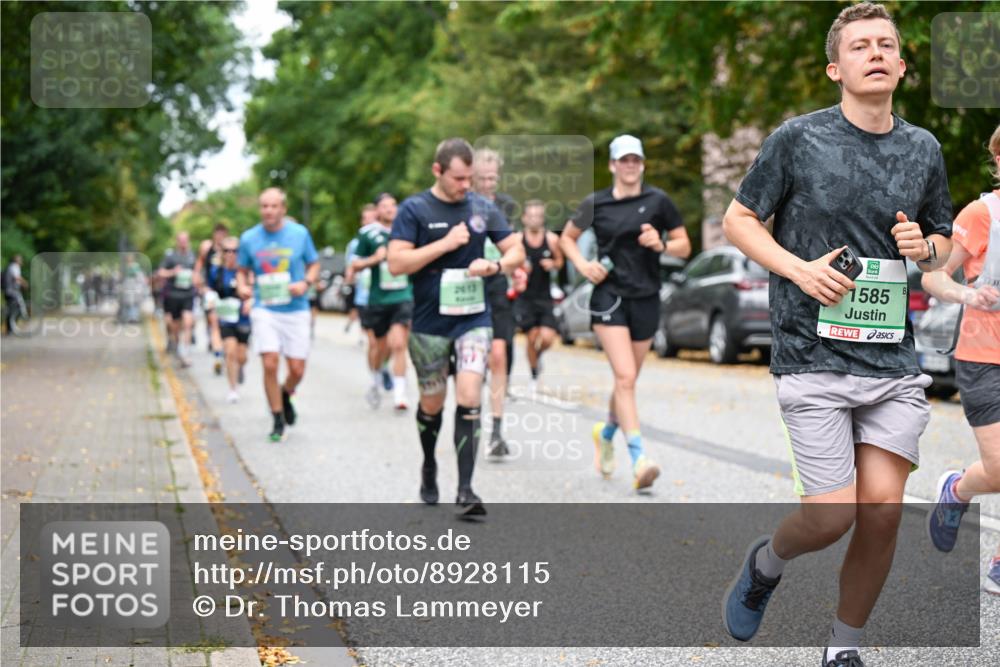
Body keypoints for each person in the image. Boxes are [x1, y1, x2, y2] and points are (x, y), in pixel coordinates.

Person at [718, 5, 954, 666]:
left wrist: (925, 246)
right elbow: (738, 220)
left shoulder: (923, 149)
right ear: (836, 68)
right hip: (811, 353)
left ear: (902, 66)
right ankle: (767, 562)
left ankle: (842, 647)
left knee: (879, 511)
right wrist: (798, 268)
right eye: (860, 46)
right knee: (831, 516)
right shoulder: (797, 139)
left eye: (887, 44)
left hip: (890, 362)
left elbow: (940, 249)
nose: (875, 52)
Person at [388, 138, 524, 515]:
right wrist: (445, 244)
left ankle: (466, 489)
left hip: (473, 320)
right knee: (432, 404)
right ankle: (429, 465)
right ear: (438, 171)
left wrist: (495, 266)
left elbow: (517, 250)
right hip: (430, 324)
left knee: (468, 395)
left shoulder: (483, 208)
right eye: (459, 178)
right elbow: (396, 263)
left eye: (470, 178)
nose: (466, 185)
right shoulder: (415, 209)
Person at [560, 134, 690, 490]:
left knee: (627, 380)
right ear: (612, 165)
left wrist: (661, 243)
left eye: (636, 159)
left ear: (642, 164)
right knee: (625, 378)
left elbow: (684, 246)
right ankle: (639, 459)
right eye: (624, 160)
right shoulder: (595, 203)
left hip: (646, 297)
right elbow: (566, 238)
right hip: (609, 297)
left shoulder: (659, 201)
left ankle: (605, 433)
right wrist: (584, 266)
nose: (630, 165)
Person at [923, 123, 1000, 595]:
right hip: (983, 357)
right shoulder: (981, 214)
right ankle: (957, 489)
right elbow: (933, 276)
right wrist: (968, 294)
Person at [237, 188, 320, 442]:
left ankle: (286, 393)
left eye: (273, 206)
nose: (268, 211)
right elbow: (242, 270)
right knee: (270, 362)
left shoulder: (299, 234)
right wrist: (242, 287)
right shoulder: (249, 238)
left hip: (295, 308)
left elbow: (314, 264)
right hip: (265, 308)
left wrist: (305, 283)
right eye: (264, 206)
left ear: (283, 209)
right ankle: (277, 419)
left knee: (297, 369)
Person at [471, 148, 522, 457]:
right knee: (473, 361)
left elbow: (513, 245)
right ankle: (470, 415)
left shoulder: (506, 206)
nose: (489, 183)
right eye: (483, 178)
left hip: (497, 281)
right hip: (467, 285)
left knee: (499, 356)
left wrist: (516, 269)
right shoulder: (462, 205)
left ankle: (497, 430)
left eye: (493, 178)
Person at [351, 193, 413, 411]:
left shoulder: (408, 229)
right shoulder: (368, 234)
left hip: (403, 295)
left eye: (393, 205)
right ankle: (376, 377)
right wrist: (375, 259)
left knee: (398, 344)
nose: (390, 209)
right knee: (378, 346)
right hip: (378, 299)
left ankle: (400, 394)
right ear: (377, 211)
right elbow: (355, 264)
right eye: (384, 206)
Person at [515, 200, 564, 390]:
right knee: (531, 336)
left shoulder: (551, 239)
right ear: (524, 218)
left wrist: (552, 264)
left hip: (544, 296)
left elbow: (560, 262)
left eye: (539, 216)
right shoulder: (517, 239)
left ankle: (539, 356)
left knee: (547, 338)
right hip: (525, 297)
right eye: (531, 216)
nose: (535, 219)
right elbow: (509, 263)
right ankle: (534, 373)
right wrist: (520, 268)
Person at [210, 236, 252, 403]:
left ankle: (241, 367)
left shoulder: (244, 271)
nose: (231, 254)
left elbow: (253, 288)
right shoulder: (217, 271)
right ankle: (233, 389)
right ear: (222, 253)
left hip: (243, 318)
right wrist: (211, 301)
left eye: (235, 251)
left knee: (242, 356)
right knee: (230, 352)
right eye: (227, 250)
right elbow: (210, 290)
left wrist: (249, 299)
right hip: (226, 318)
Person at [158, 232, 198, 366]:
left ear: (188, 241)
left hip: (188, 294)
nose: (183, 242)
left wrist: (196, 278)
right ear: (177, 241)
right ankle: (178, 345)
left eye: (185, 240)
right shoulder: (171, 257)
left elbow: (198, 273)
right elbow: (160, 272)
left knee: (187, 323)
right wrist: (172, 272)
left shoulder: (193, 256)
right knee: (175, 327)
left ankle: (185, 353)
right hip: (173, 295)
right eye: (181, 240)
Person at [194, 223, 229, 374]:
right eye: (218, 234)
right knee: (214, 323)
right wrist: (200, 285)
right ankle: (218, 355)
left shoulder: (231, 250)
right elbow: (198, 267)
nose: (220, 237)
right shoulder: (207, 248)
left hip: (228, 294)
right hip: (211, 292)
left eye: (223, 234)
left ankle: (227, 353)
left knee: (226, 325)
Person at [2, 254, 27, 335]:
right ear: (16, 260)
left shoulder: (13, 267)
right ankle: (10, 329)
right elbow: (17, 277)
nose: (21, 261)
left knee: (13, 309)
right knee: (13, 310)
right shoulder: (14, 267)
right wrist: (24, 283)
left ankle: (11, 328)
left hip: (11, 292)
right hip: (11, 292)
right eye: (20, 259)